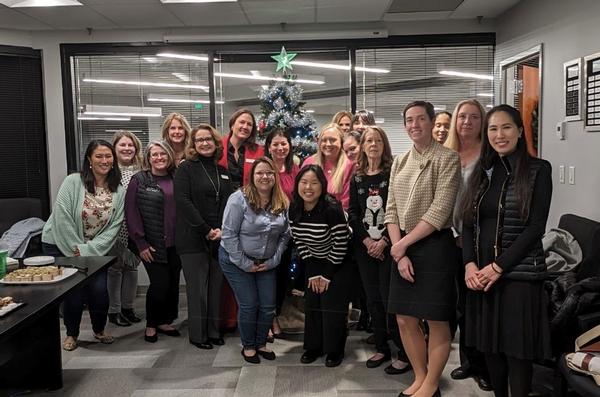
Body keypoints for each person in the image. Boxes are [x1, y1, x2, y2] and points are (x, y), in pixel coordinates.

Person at [460, 105, 552, 397]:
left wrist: (498, 267)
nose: (499, 135)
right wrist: (470, 265)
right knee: (491, 349)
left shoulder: (538, 170)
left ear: (520, 131)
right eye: (493, 129)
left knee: (516, 353)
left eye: (506, 127)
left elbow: (536, 227)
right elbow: (467, 223)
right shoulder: (483, 172)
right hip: (482, 275)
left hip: (518, 276)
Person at [385, 101, 460, 397]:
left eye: (420, 119)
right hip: (401, 245)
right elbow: (390, 209)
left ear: (431, 122)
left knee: (436, 318)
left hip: (433, 245)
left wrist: (401, 246)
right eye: (409, 120)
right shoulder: (400, 161)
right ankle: (419, 376)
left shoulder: (448, 158)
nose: (414, 125)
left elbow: (440, 210)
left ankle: (431, 385)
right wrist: (399, 249)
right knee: (404, 318)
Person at [42, 139, 125, 351]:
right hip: (61, 243)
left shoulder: (118, 190)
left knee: (99, 290)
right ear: (89, 159)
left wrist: (89, 250)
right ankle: (71, 333)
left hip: (95, 249)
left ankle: (99, 330)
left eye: (108, 156)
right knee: (74, 292)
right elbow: (62, 218)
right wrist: (75, 249)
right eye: (99, 156)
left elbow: (114, 227)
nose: (104, 161)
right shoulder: (73, 182)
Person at [348, 126, 411, 374]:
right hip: (364, 248)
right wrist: (366, 242)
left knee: (389, 299)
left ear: (384, 145)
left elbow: (399, 209)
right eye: (368, 140)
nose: (373, 144)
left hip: (390, 246)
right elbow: (353, 213)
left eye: (377, 140)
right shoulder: (357, 177)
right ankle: (382, 347)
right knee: (373, 299)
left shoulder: (394, 172)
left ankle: (405, 352)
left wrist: (384, 241)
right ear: (362, 146)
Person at [219, 157, 290, 364]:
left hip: (267, 261)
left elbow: (286, 234)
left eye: (269, 172)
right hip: (235, 259)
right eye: (260, 173)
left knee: (268, 305)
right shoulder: (238, 199)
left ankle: (261, 343)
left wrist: (275, 259)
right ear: (252, 176)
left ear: (275, 176)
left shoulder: (281, 200)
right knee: (249, 304)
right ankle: (248, 345)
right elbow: (229, 235)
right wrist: (245, 263)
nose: (265, 176)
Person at [444, 99, 492, 391]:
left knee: (478, 304)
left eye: (474, 117)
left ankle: (484, 366)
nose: (467, 122)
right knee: (458, 304)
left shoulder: (488, 156)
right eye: (462, 117)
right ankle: (467, 361)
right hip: (450, 238)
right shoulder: (447, 154)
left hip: (479, 241)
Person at [175, 124, 234, 349]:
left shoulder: (222, 171)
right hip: (193, 238)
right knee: (198, 289)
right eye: (199, 140)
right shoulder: (186, 168)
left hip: (219, 239)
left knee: (216, 288)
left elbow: (229, 204)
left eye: (208, 139)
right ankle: (199, 336)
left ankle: (213, 331)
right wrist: (206, 229)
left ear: (216, 142)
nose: (204, 143)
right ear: (193, 145)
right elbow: (183, 202)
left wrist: (220, 230)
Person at [290, 165, 351, 368]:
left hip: (339, 260)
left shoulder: (331, 208)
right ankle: (313, 347)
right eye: (304, 182)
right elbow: (299, 241)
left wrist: (326, 275)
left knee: (332, 306)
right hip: (313, 260)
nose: (308, 187)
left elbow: (341, 242)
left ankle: (334, 350)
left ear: (322, 186)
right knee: (312, 303)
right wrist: (314, 271)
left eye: (314, 183)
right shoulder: (294, 207)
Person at [126, 140, 181, 343]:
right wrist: (140, 243)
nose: (159, 158)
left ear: (168, 156)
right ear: (148, 158)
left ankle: (165, 321)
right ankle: (151, 324)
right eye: (154, 155)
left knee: (173, 284)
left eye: (163, 154)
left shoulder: (176, 177)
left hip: (176, 243)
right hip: (152, 244)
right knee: (159, 284)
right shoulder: (139, 180)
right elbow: (131, 214)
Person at [217, 109, 266, 332]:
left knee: (247, 271)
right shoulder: (218, 148)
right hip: (221, 213)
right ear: (232, 123)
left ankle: (246, 319)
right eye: (241, 122)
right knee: (228, 272)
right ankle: (228, 320)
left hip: (251, 215)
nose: (245, 127)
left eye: (249, 124)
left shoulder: (257, 151)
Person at [264, 128, 299, 338]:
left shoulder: (295, 169)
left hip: (289, 233)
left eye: (283, 143)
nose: (280, 148)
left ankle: (276, 315)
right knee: (268, 277)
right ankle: (267, 319)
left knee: (282, 278)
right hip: (267, 233)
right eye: (275, 144)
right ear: (268, 147)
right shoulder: (264, 169)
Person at [107, 130, 143, 327]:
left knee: (132, 268)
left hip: (135, 227)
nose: (127, 148)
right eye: (123, 145)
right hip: (114, 228)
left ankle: (128, 308)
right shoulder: (109, 171)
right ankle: (114, 310)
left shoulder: (141, 170)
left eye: (131, 145)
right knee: (115, 269)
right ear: (115, 148)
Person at [303, 123, 354, 210]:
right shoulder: (309, 162)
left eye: (333, 140)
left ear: (341, 142)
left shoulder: (349, 165)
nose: (328, 144)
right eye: (324, 140)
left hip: (337, 217)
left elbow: (346, 202)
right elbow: (301, 191)